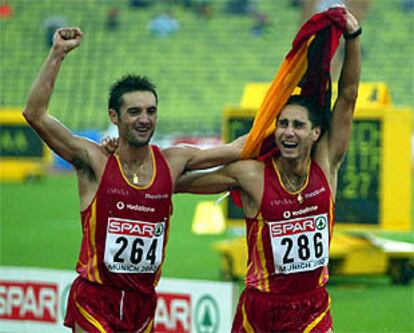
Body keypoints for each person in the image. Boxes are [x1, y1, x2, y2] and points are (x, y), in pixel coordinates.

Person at [23, 27, 245, 333]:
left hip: (143, 306)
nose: (145, 119)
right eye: (135, 112)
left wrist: (287, 117)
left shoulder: (173, 161)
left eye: (151, 111)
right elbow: (35, 113)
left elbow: (236, 149)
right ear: (114, 116)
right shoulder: (95, 161)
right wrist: (58, 53)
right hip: (96, 302)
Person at [175, 8, 361, 332]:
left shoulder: (326, 164)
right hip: (260, 311)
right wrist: (131, 165)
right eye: (283, 124)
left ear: (316, 133)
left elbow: (347, 96)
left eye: (298, 125)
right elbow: (181, 182)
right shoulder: (252, 175)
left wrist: (353, 39)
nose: (288, 132)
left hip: (312, 308)